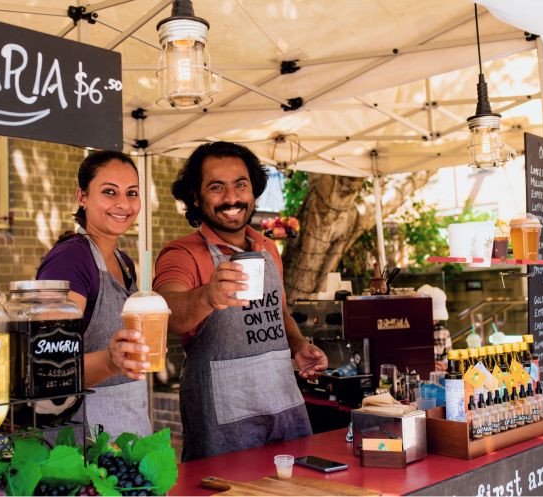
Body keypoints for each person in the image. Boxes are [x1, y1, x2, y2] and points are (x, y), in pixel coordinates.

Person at [153, 141, 328, 461]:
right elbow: (166, 311)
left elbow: (278, 312)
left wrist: (299, 345)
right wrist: (208, 295)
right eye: (216, 187)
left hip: (285, 407)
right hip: (225, 424)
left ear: (253, 191)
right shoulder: (183, 253)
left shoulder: (267, 247)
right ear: (196, 196)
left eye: (240, 185)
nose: (231, 198)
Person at [37, 150, 152, 439]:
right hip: (81, 441)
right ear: (82, 197)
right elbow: (50, 369)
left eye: (132, 193)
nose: (123, 204)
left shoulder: (124, 263)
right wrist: (110, 362)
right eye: (109, 192)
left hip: (127, 429)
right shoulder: (70, 260)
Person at [416, 284, 452, 372]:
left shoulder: (443, 332)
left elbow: (449, 360)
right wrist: (428, 364)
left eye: (436, 318)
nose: (435, 320)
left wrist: (445, 365)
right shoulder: (409, 331)